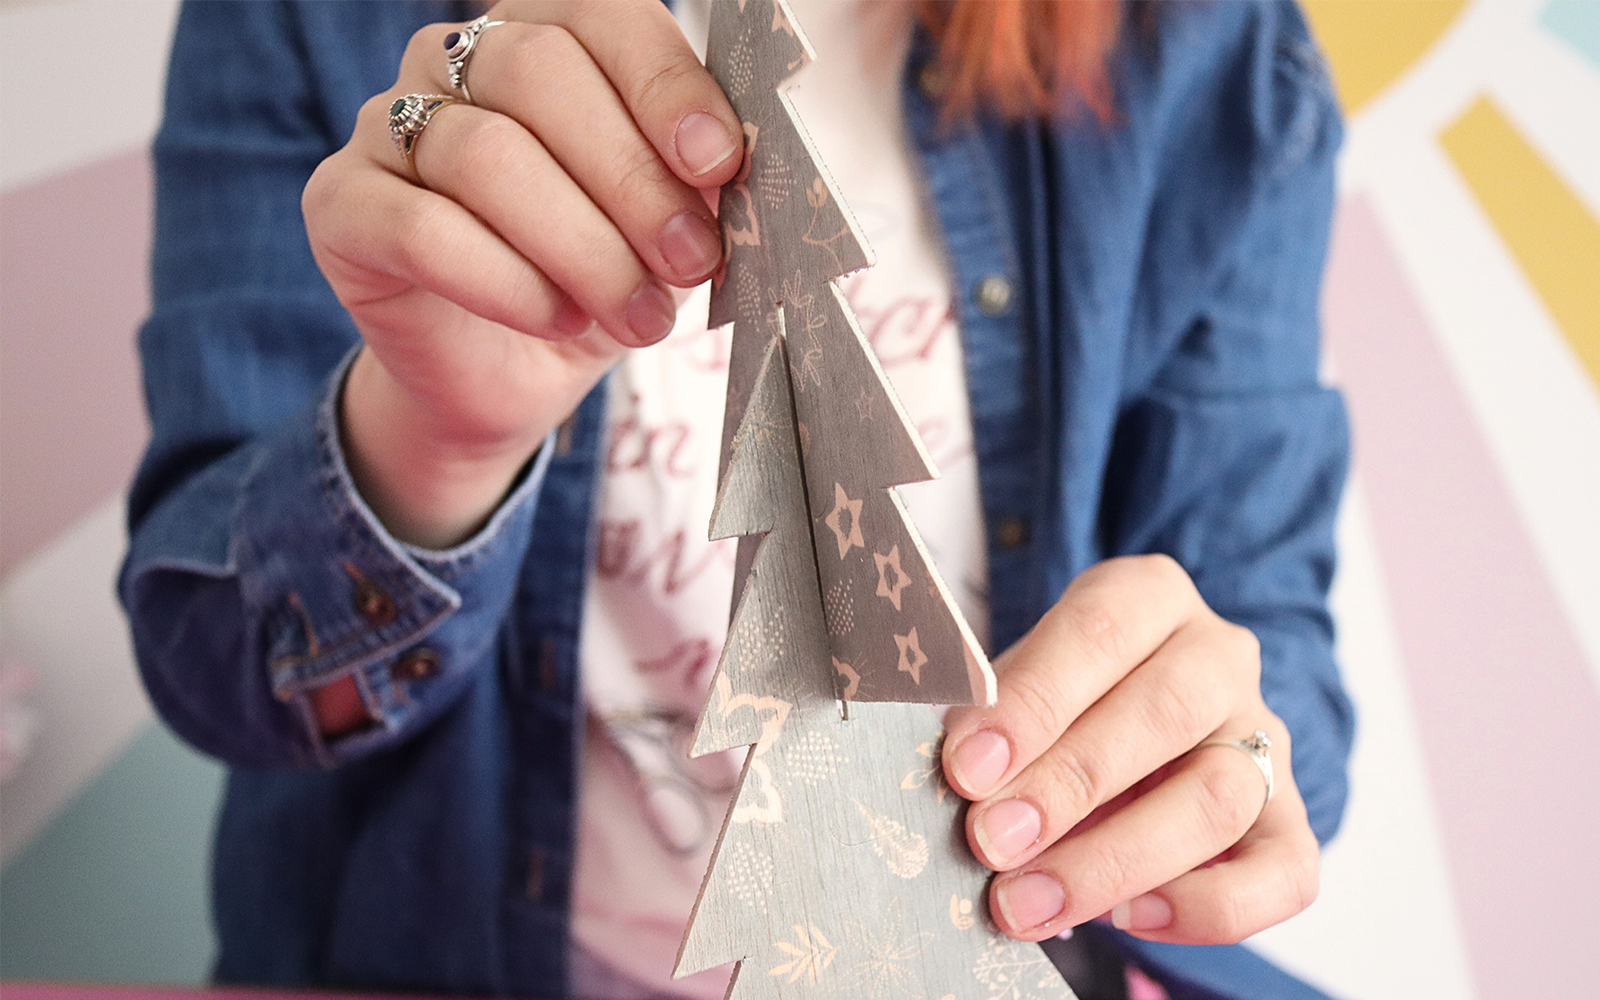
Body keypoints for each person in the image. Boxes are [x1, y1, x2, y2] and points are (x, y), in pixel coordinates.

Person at [121, 0, 1354, 997]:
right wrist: (432, 440)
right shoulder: (313, 21)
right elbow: (217, 665)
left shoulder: (1213, 52)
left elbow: (1263, 644)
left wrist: (1225, 750)